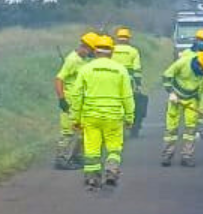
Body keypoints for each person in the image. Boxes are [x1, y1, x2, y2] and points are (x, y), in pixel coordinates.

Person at [70, 34, 135, 189]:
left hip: (91, 116)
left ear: (95, 51)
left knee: (92, 149)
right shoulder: (120, 70)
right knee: (114, 148)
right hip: (113, 116)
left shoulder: (86, 69)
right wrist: (130, 117)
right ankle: (111, 172)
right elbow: (127, 96)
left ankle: (92, 179)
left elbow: (76, 95)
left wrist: (76, 118)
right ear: (111, 52)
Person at [162, 48, 203, 167]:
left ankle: (187, 156)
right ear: (198, 63)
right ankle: (167, 155)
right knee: (171, 129)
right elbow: (166, 76)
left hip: (192, 100)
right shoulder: (183, 62)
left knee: (191, 129)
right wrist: (171, 92)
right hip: (175, 99)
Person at [54, 33, 100, 169]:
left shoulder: (84, 59)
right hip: (69, 103)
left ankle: (76, 157)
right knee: (67, 132)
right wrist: (62, 99)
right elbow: (59, 79)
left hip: (81, 103)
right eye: (92, 51)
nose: (92, 54)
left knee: (84, 131)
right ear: (85, 47)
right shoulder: (72, 60)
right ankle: (60, 160)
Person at [111, 26, 145, 136]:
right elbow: (137, 70)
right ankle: (133, 125)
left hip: (112, 80)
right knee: (131, 102)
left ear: (118, 38)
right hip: (128, 81)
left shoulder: (112, 49)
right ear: (128, 38)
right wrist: (138, 84)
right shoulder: (133, 51)